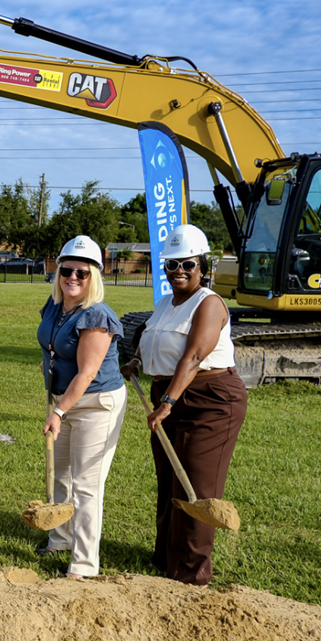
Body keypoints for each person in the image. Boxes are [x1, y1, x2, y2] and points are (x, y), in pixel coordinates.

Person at [122, 224, 247, 586]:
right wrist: (139, 363)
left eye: (187, 264)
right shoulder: (166, 303)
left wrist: (167, 402)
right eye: (172, 264)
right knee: (170, 480)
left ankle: (191, 574)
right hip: (170, 395)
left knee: (195, 484)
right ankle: (165, 558)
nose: (178, 271)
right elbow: (157, 344)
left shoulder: (209, 303)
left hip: (211, 400)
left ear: (202, 266)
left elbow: (193, 356)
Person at [35, 235, 127, 579]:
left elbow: (88, 372)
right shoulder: (55, 306)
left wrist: (59, 412)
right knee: (62, 474)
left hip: (96, 404)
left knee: (87, 484)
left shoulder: (98, 316)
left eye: (82, 273)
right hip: (65, 400)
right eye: (67, 270)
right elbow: (50, 346)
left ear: (94, 278)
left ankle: (84, 564)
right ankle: (59, 538)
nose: (73, 278)